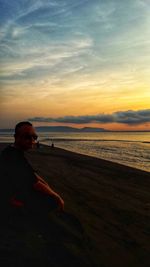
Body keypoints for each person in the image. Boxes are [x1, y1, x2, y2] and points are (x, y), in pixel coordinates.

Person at [0, 121, 64, 217]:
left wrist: (47, 186)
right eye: (27, 137)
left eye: (34, 137)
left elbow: (33, 175)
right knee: (52, 201)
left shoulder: (12, 151)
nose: (32, 140)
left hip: (15, 192)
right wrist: (57, 197)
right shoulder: (13, 157)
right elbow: (36, 184)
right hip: (10, 199)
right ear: (16, 137)